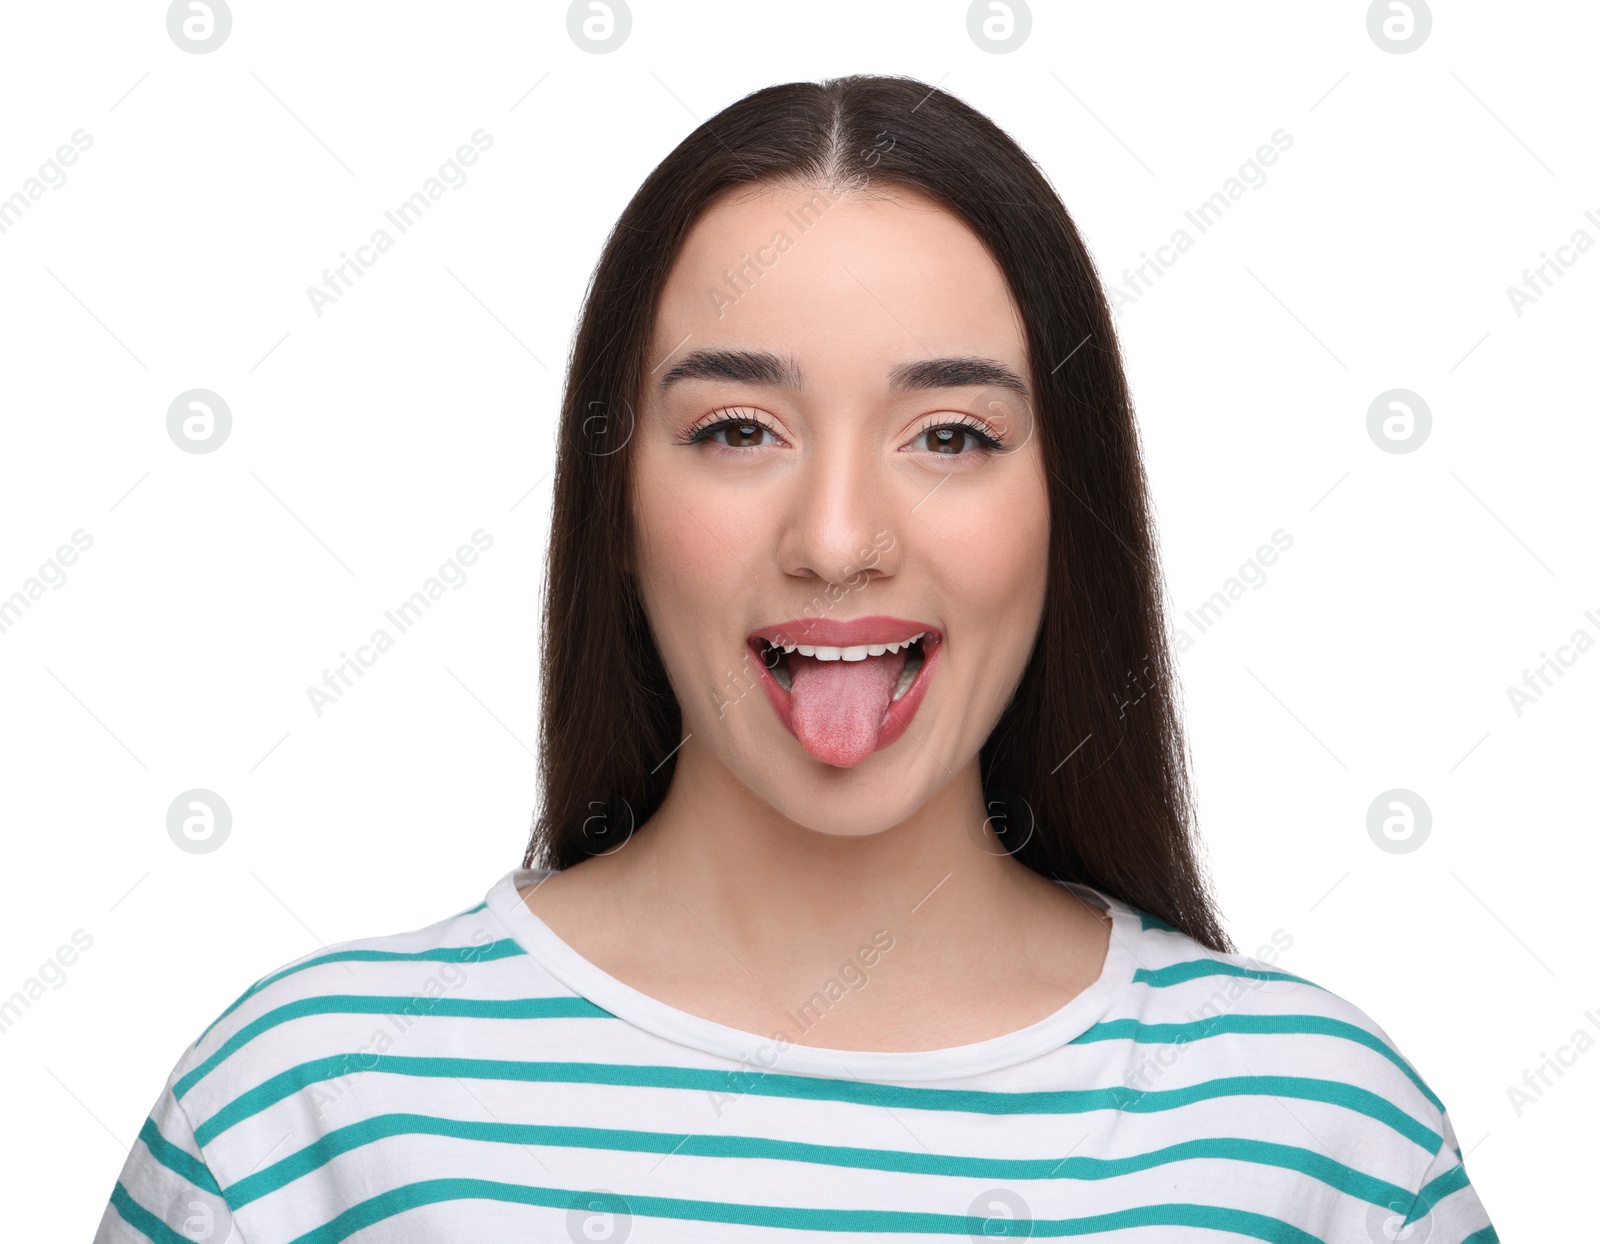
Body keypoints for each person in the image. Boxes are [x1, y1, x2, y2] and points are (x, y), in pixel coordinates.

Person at [95, 74, 1497, 1242]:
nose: (837, 541)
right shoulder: (301, 1110)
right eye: (736, 431)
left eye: (951, 434)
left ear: (1069, 505)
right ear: (618, 502)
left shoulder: (1321, 1134)